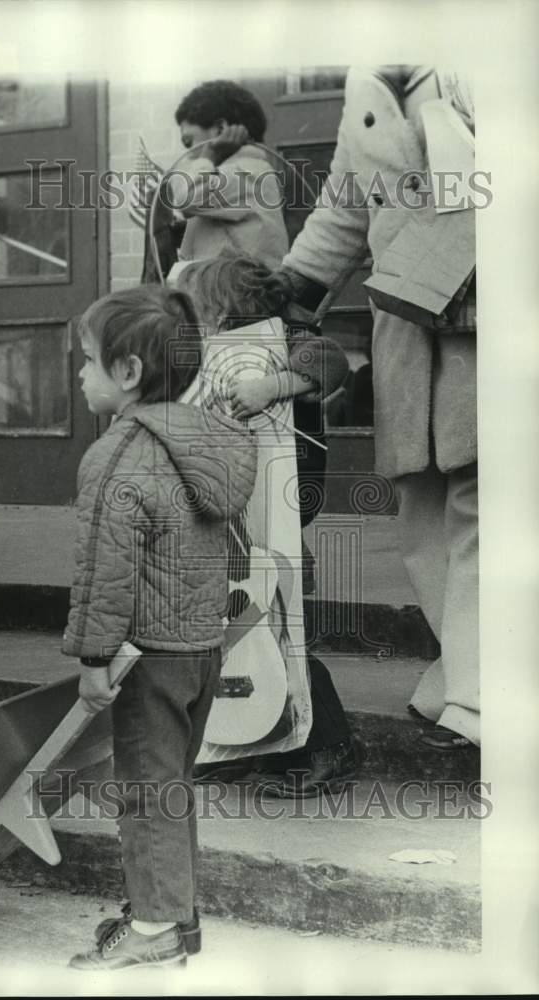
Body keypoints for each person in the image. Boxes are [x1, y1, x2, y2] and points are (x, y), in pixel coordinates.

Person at [270, 66, 479, 750]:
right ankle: (462, 676)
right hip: (408, 319)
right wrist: (291, 288)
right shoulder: (368, 80)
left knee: (487, 505)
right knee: (421, 506)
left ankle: (481, 700)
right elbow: (345, 204)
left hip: (490, 316)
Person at [62, 285, 257, 970]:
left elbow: (102, 572)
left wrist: (92, 659)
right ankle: (176, 918)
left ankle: (154, 933)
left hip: (147, 656)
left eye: (86, 361)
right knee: (171, 788)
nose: (80, 376)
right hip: (202, 651)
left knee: (146, 795)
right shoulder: (209, 444)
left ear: (128, 374)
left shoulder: (118, 455)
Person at [176, 251, 357, 797]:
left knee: (282, 633)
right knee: (230, 635)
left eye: (199, 310)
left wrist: (272, 386)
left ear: (229, 309)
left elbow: (331, 362)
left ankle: (328, 746)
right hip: (231, 519)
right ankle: (242, 743)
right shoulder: (210, 356)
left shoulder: (287, 338)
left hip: (274, 519)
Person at [141, 79, 289, 281]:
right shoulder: (232, 175)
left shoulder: (246, 172)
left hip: (242, 297)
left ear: (220, 130)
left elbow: (187, 198)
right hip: (229, 290)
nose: (190, 154)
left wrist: (209, 154)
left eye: (189, 141)